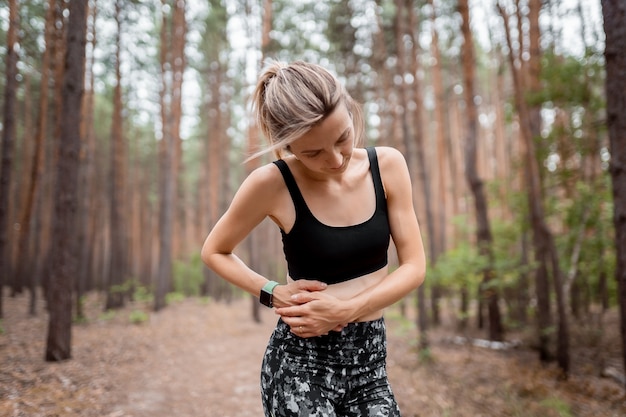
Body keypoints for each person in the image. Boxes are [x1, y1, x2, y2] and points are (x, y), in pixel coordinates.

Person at [201, 60, 426, 417]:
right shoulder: (271, 184)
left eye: (342, 138)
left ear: (350, 112)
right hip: (300, 366)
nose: (335, 159)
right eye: (313, 153)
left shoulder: (388, 166)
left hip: (371, 367)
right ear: (287, 145)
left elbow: (414, 266)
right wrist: (272, 291)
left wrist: (347, 309)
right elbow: (215, 250)